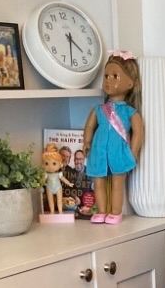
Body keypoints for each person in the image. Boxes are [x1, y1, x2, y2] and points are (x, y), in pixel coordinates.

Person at [83, 51, 144, 224]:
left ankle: (116, 213)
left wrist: (133, 152)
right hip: (99, 150)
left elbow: (138, 133)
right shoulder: (99, 109)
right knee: (98, 182)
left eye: (115, 76)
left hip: (119, 151)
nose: (109, 80)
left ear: (131, 83)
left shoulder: (130, 112)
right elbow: (89, 126)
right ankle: (101, 211)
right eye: (106, 76)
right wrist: (87, 142)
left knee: (118, 183)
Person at [41, 144, 70, 215]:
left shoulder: (59, 173)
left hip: (58, 188)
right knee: (50, 201)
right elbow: (42, 180)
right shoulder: (46, 174)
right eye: (47, 163)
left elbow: (62, 178)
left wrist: (68, 183)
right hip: (49, 188)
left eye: (54, 163)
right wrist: (39, 184)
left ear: (60, 164)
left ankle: (60, 211)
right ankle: (52, 212)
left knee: (59, 200)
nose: (50, 166)